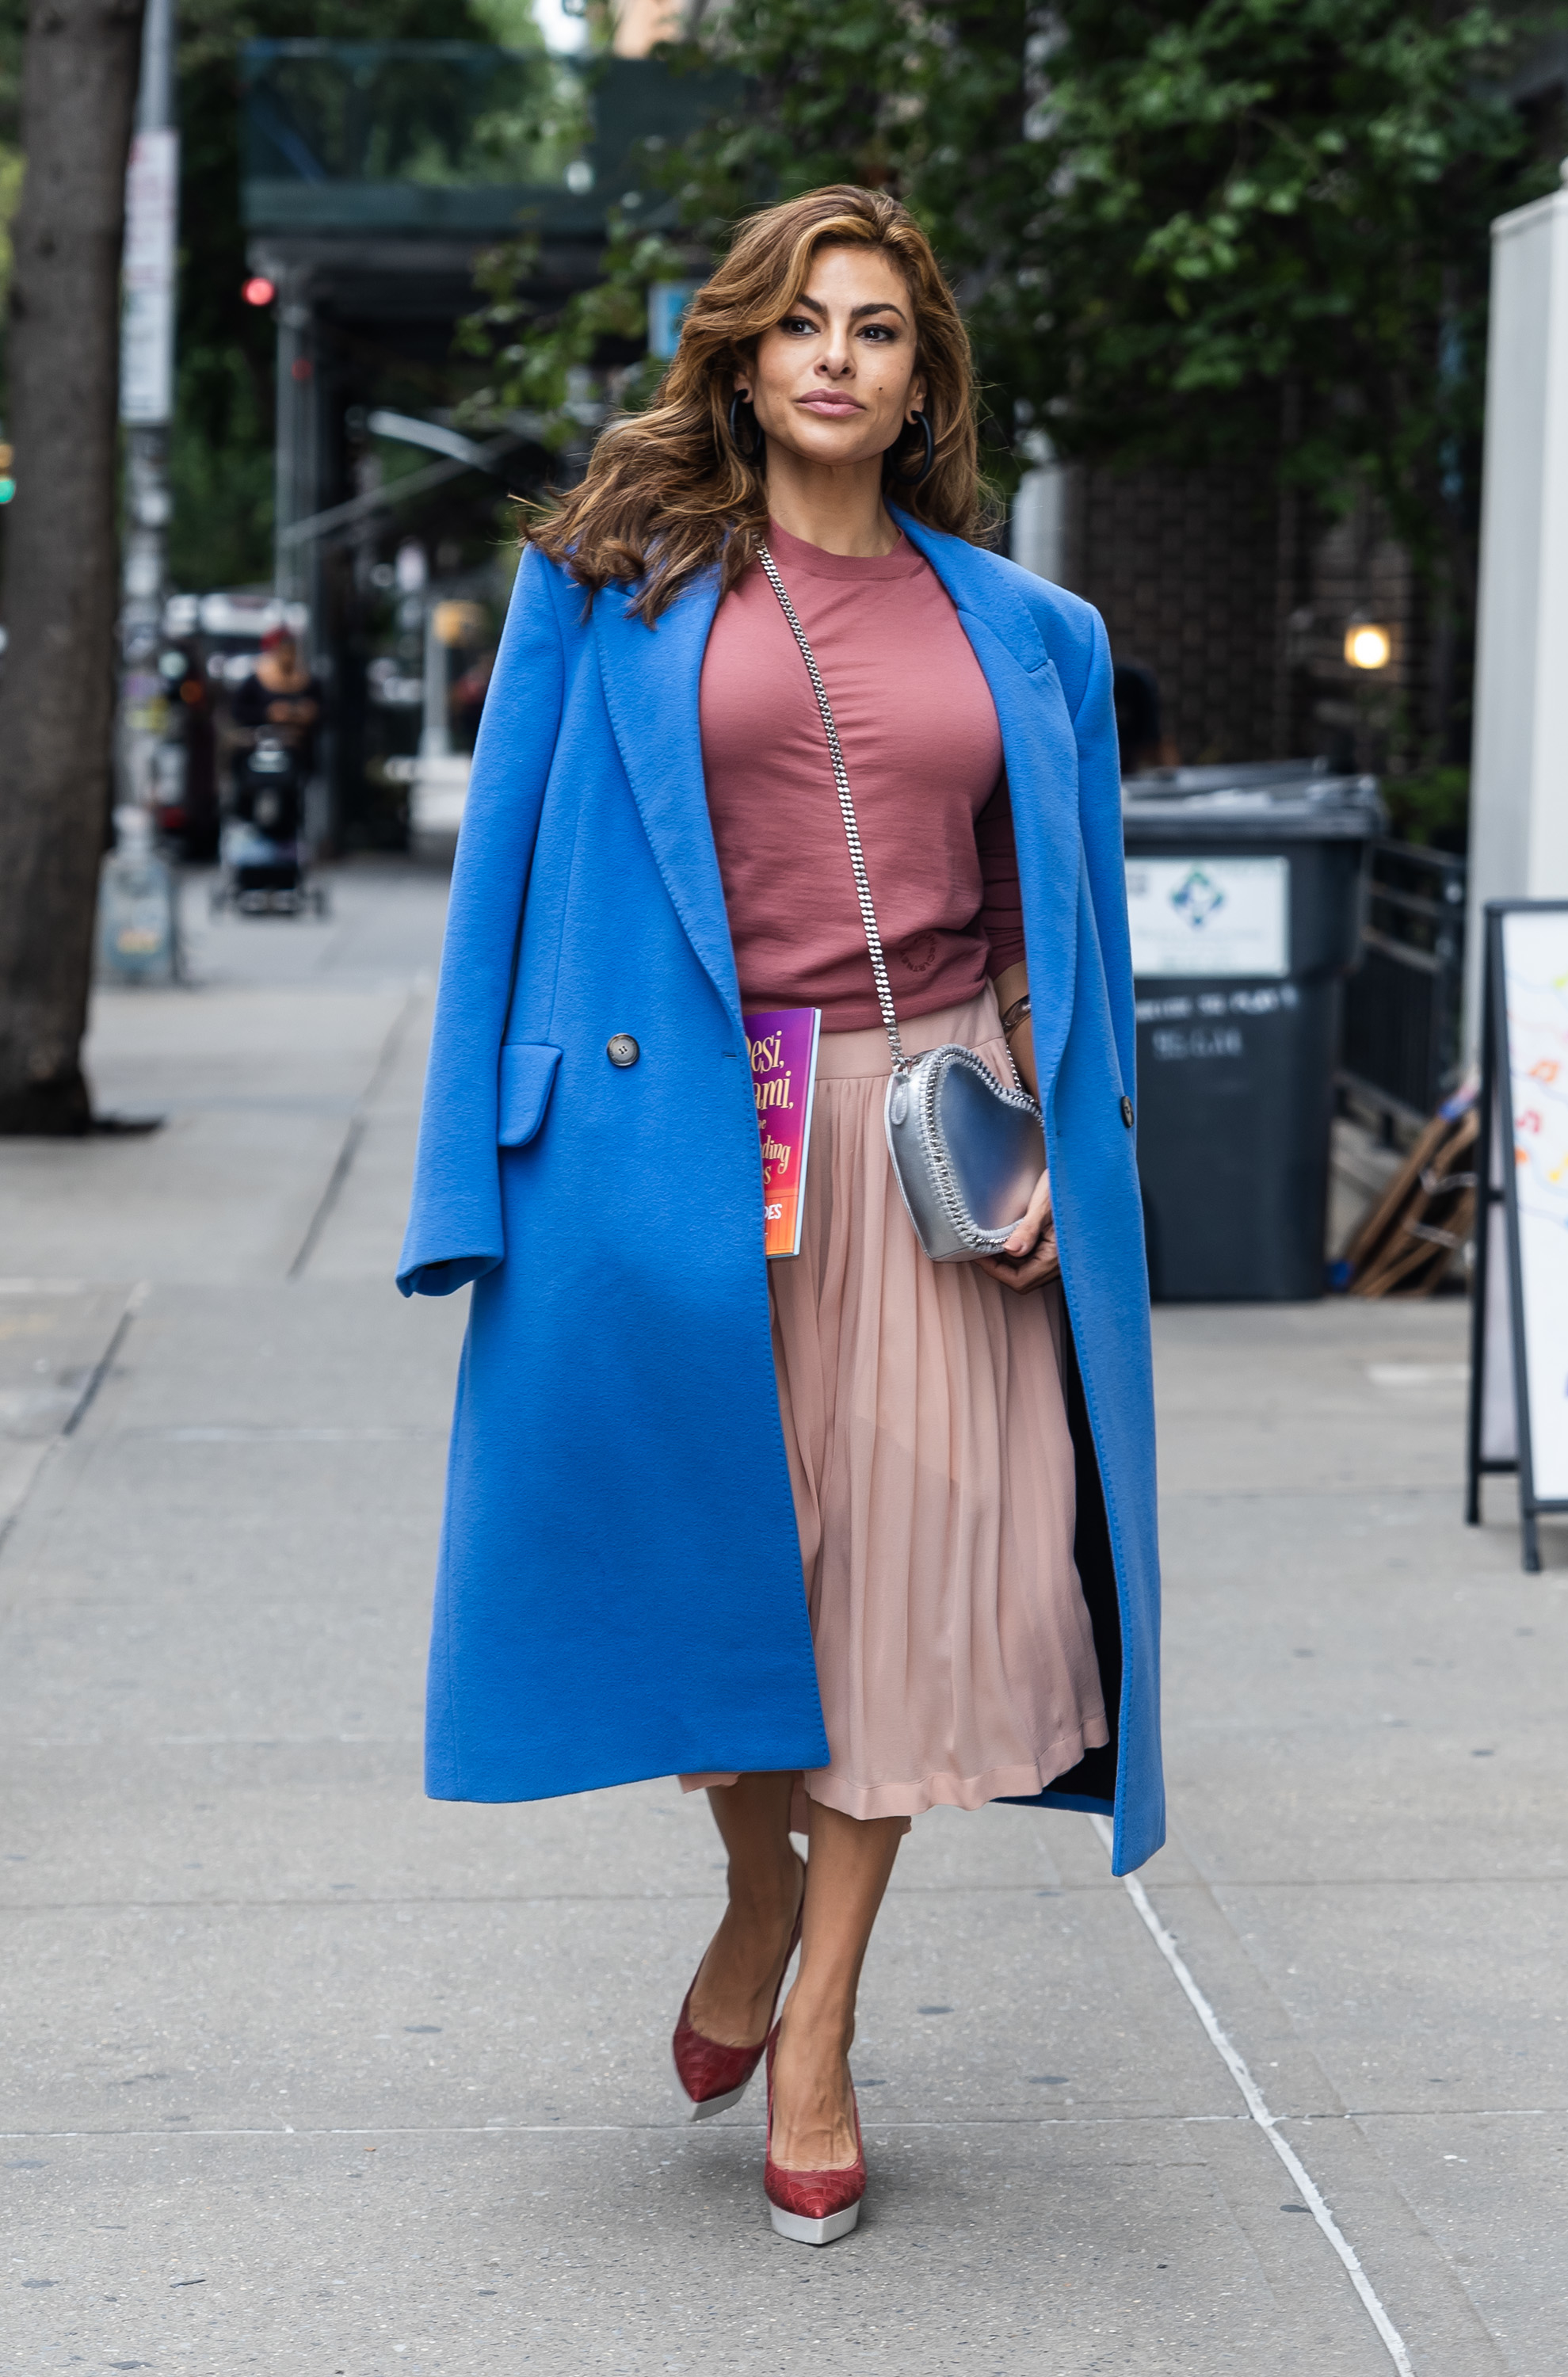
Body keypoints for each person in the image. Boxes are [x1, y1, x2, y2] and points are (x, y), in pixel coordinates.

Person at [399, 185, 1162, 2247]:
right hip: (688, 1156)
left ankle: (818, 2018)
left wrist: (1048, 1170)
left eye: (882, 328)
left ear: (924, 378)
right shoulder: (609, 590)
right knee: (743, 1579)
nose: (839, 355)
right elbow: (503, 911)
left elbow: (1048, 941)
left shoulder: (1027, 633)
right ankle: (756, 1885)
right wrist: (467, 1184)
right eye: (804, 322)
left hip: (931, 1134)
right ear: (742, 354)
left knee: (909, 1587)